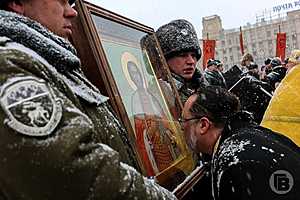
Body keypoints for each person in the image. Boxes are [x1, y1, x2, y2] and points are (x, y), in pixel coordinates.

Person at [0, 0, 177, 199]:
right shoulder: (9, 65)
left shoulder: (58, 65)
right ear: (16, 2)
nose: (71, 12)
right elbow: (79, 175)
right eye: (61, 1)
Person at [181, 85, 300, 200]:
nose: (181, 127)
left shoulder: (237, 164)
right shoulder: (250, 136)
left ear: (203, 125)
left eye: (184, 120)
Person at [155, 19, 205, 103]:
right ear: (165, 60)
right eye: (182, 55)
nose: (191, 61)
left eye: (193, 55)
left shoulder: (204, 88)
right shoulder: (157, 93)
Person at [261, 49, 300, 147]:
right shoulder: (289, 82)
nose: (286, 66)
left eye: (289, 64)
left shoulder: (288, 84)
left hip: (275, 143)